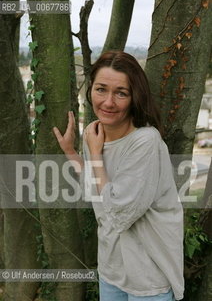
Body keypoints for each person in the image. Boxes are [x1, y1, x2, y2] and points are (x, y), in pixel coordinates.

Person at [53, 51, 184, 301]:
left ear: (135, 97)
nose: (108, 102)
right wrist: (71, 151)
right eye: (101, 89)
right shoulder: (94, 134)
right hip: (112, 270)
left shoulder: (145, 142)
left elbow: (120, 213)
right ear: (90, 89)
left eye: (121, 93)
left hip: (148, 276)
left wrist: (95, 154)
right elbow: (96, 193)